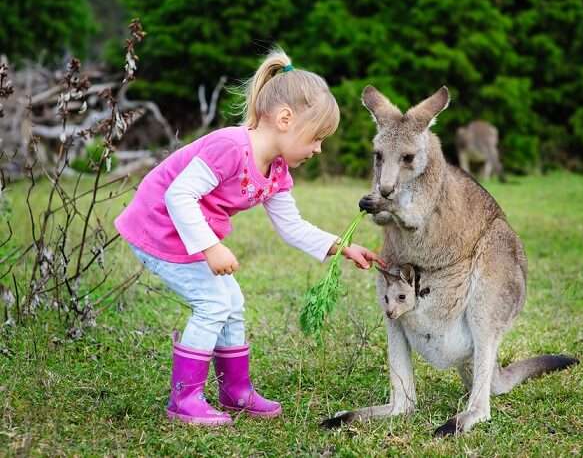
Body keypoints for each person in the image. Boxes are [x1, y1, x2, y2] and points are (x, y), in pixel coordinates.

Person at [114, 48, 384, 425]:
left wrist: (342, 247)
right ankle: (184, 399)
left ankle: (235, 392)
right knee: (212, 302)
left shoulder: (276, 172)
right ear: (286, 119)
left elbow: (292, 226)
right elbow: (178, 195)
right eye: (317, 138)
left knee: (231, 301)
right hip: (157, 227)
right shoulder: (229, 147)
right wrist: (211, 246)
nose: (319, 149)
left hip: (187, 233)